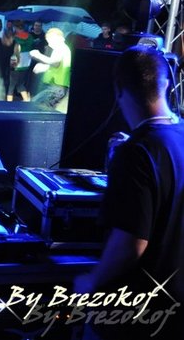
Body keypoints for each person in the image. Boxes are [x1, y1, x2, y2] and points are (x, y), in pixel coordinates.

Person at [74, 45, 183, 339]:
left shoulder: (135, 152)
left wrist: (92, 282)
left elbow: (131, 245)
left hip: (132, 317)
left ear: (119, 91)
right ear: (166, 85)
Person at [30, 27, 71, 112]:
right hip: (56, 87)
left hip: (56, 87)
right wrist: (45, 67)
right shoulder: (62, 48)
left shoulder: (61, 48)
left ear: (59, 38)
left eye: (50, 40)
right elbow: (57, 65)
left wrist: (37, 55)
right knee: (40, 108)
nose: (49, 44)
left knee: (37, 107)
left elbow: (54, 62)